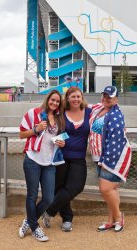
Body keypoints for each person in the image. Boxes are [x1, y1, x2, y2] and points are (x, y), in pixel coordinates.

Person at [42, 87, 92, 232]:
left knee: (76, 186)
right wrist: (59, 140)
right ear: (68, 99)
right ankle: (67, 219)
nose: (76, 99)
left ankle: (49, 211)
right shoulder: (61, 113)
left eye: (78, 96)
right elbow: (54, 130)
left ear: (82, 98)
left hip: (78, 157)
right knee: (61, 187)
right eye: (73, 97)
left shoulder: (89, 112)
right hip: (61, 156)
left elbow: (106, 108)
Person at [18, 90, 65, 241]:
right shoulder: (34, 113)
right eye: (53, 100)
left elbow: (58, 139)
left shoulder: (59, 119)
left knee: (48, 198)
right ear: (48, 99)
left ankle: (29, 221)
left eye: (57, 101)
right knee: (32, 195)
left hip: (49, 162)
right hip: (32, 159)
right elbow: (21, 134)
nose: (54, 103)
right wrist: (35, 129)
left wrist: (62, 143)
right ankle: (35, 228)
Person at [89, 86, 132, 233]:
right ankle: (110, 221)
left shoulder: (116, 115)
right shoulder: (98, 109)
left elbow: (116, 140)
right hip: (97, 156)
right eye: (104, 96)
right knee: (112, 191)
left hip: (109, 158)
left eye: (110, 97)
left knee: (105, 189)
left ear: (116, 99)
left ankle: (119, 218)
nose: (106, 99)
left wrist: (108, 162)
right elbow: (82, 105)